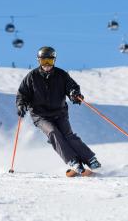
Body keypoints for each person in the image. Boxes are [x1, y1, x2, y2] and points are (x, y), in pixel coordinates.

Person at [16, 46, 101, 174]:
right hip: (40, 115)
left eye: (49, 61)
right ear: (38, 61)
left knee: (68, 135)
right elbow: (22, 94)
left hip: (59, 112)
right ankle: (72, 160)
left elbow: (72, 87)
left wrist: (74, 95)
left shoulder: (61, 75)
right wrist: (21, 105)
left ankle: (90, 158)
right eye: (43, 61)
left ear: (54, 61)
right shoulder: (32, 76)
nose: (46, 65)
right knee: (53, 132)